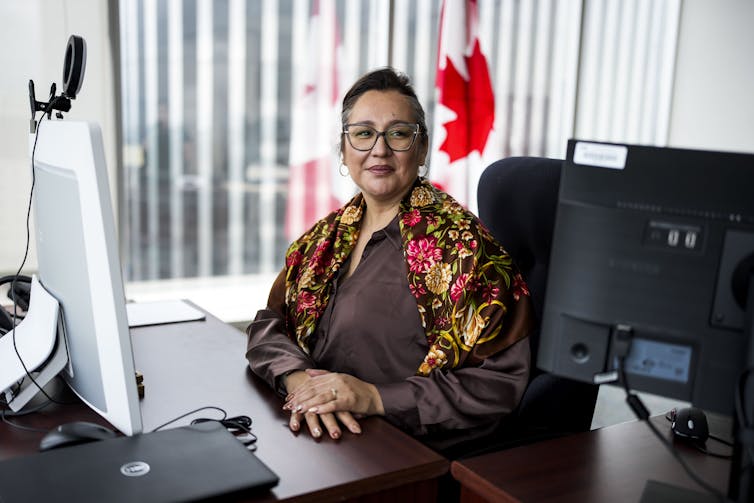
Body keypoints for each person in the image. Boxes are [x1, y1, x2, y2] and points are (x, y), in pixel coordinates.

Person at [246, 67, 533, 454]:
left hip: (401, 453)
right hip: (311, 431)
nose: (379, 149)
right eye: (363, 134)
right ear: (344, 150)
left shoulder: (466, 252)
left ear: (422, 147)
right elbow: (268, 325)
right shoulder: (322, 239)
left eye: (398, 133)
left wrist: (373, 397)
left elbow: (498, 386)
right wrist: (297, 379)